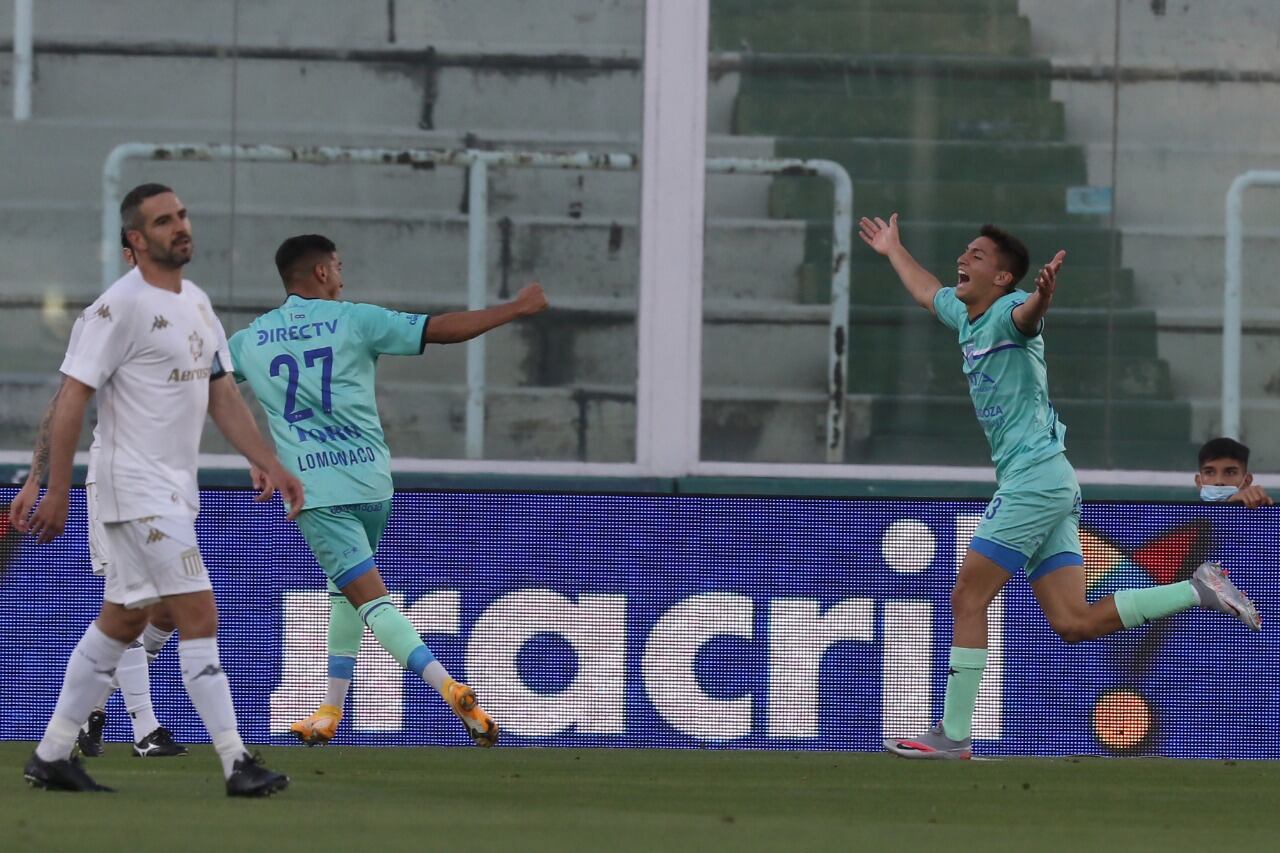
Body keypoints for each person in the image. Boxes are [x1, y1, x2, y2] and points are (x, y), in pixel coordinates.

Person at [858, 213, 1261, 760]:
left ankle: (953, 735)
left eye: (977, 255)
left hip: (1034, 480)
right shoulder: (967, 313)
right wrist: (892, 249)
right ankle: (1198, 589)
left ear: (1003, 279)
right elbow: (929, 292)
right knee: (1073, 622)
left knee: (967, 596)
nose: (964, 259)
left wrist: (1042, 297)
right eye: (966, 252)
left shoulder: (1006, 313)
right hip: (1051, 482)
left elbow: (1028, 317)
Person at [17, 183, 304, 794]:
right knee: (197, 610)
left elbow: (221, 394)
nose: (180, 226)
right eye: (163, 220)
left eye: (182, 214)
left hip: (174, 488)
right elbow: (73, 397)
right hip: (131, 485)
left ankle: (51, 753)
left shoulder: (197, 303)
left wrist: (269, 462)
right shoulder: (117, 307)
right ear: (135, 240)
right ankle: (236, 761)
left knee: (124, 619)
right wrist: (58, 488)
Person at [227, 234, 548, 747]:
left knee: (370, 599)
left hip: (315, 490)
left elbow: (207, 386)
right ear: (320, 275)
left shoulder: (250, 340)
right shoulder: (356, 319)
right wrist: (515, 308)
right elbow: (439, 331)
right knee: (345, 592)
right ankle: (330, 711)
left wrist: (257, 458)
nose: (343, 277)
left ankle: (449, 688)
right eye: (338, 267)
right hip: (373, 484)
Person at [10, 235, 188, 760]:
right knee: (133, 602)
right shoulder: (102, 316)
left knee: (169, 611)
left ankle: (94, 709)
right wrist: (38, 479)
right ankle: (145, 731)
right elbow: (67, 400)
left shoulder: (185, 311)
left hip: (167, 483)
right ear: (132, 254)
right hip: (116, 481)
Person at [1196, 437, 1273, 507]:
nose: (1219, 481)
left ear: (1246, 481)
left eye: (1230, 473)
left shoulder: (1262, 519)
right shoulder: (1187, 518)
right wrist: (1229, 508)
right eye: (1209, 472)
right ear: (1199, 481)